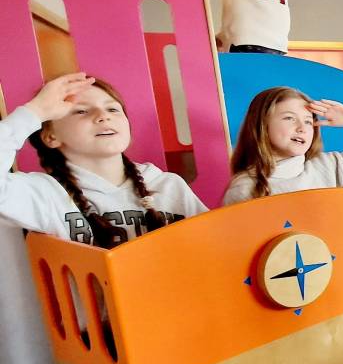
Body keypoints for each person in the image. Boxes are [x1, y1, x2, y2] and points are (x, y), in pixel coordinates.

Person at [0, 73, 207, 247]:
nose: (103, 116)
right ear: (50, 136)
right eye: (81, 111)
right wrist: (34, 112)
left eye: (113, 109)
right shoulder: (44, 194)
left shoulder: (169, 185)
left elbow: (214, 247)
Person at [222, 86, 343, 205]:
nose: (301, 128)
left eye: (308, 121)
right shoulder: (245, 188)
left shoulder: (329, 165)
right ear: (262, 125)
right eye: (289, 118)